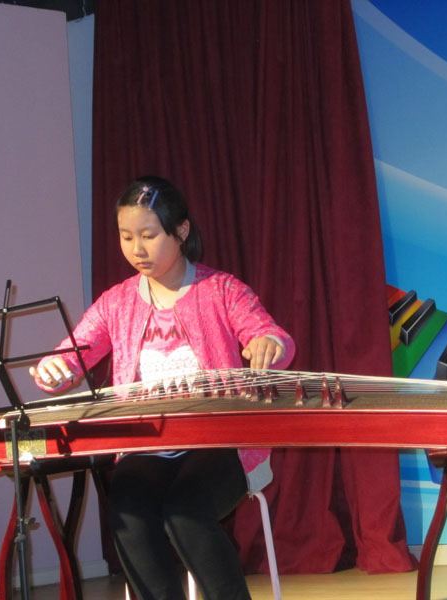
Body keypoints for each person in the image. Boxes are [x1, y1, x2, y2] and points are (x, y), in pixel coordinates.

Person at [29, 175, 296, 600]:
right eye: (126, 237)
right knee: (128, 516)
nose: (137, 249)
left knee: (186, 513)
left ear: (181, 231)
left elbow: (270, 335)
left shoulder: (222, 290)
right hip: (147, 445)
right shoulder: (116, 302)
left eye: (149, 236)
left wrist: (269, 344)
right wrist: (54, 368)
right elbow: (73, 352)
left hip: (219, 444)